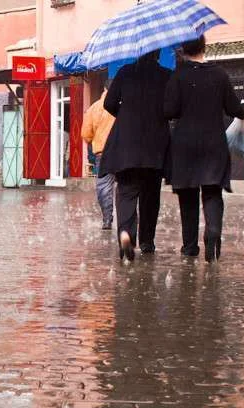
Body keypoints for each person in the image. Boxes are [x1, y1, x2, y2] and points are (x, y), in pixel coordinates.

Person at [164, 35, 244, 263]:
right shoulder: (219, 74)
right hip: (213, 143)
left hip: (184, 145)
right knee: (212, 192)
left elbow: (169, 111)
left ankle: (190, 247)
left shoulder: (178, 76)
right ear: (204, 47)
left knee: (188, 196)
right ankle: (212, 232)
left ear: (184, 50)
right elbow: (233, 108)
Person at [101, 50, 171, 261]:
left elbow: (108, 103)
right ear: (158, 53)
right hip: (155, 146)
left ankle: (126, 234)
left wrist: (126, 115)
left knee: (126, 192)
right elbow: (172, 108)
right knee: (151, 195)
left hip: (126, 145)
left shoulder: (125, 72)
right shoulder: (166, 76)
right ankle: (147, 242)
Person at [81, 83, 116, 230]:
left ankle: (107, 219)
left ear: (104, 89)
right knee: (127, 186)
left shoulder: (94, 108)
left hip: (102, 153)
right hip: (123, 152)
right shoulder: (124, 106)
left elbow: (86, 134)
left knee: (104, 186)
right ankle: (128, 219)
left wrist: (95, 140)